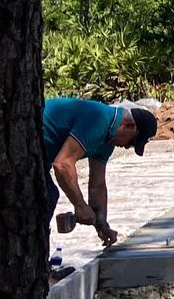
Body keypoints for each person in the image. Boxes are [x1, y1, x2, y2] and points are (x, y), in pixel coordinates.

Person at [42, 97, 158, 247]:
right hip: (23, 142)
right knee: (45, 195)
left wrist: (102, 225)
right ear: (128, 126)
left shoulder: (108, 140)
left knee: (47, 194)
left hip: (38, 156)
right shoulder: (99, 120)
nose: (127, 147)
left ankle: (41, 266)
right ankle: (37, 267)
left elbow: (97, 185)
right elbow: (63, 164)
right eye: (131, 142)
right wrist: (80, 206)